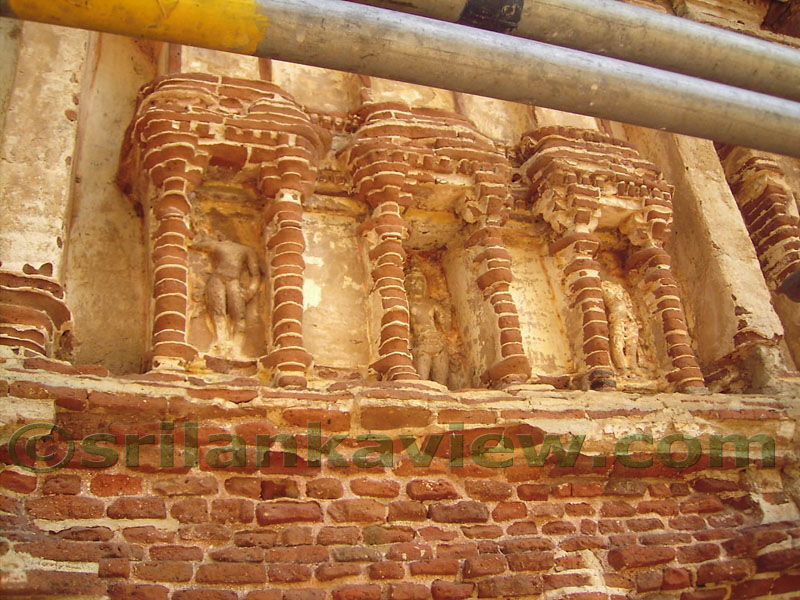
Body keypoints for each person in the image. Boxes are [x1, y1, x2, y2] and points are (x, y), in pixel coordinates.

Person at [192, 231, 261, 351]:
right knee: (218, 312)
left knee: (239, 316)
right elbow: (196, 245)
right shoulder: (217, 245)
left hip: (233, 281)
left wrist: (250, 291)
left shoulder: (245, 250)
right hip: (217, 279)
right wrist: (199, 234)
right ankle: (221, 342)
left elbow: (255, 274)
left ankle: (236, 347)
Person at [405, 268, 450, 385]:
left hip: (438, 342)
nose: (416, 283)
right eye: (412, 280)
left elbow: (446, 326)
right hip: (421, 343)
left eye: (420, 280)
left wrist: (446, 309)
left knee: (442, 383)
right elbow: (405, 329)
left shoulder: (432, 303)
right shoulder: (407, 303)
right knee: (422, 381)